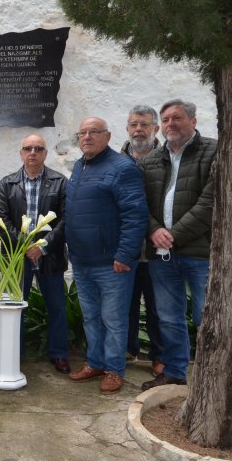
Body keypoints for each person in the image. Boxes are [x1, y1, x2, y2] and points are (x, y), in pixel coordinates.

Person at [65, 117, 147, 394]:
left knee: (113, 319)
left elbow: (135, 215)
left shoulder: (123, 168)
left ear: (107, 136)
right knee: (91, 317)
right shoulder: (80, 165)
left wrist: (125, 255)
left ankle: (114, 369)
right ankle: (95, 362)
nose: (87, 137)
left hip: (112, 262)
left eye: (94, 132)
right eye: (82, 132)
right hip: (82, 260)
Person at [139, 99, 215, 391]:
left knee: (206, 317)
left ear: (193, 121)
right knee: (169, 317)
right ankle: (174, 372)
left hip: (201, 252)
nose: (171, 124)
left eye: (177, 118)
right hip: (162, 255)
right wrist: (154, 229)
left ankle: (212, 377)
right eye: (166, 119)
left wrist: (173, 235)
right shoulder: (150, 161)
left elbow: (211, 203)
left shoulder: (214, 151)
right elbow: (138, 205)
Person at [0, 134, 70, 373]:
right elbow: (0, 220)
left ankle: (59, 354)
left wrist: (43, 246)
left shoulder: (60, 182)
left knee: (56, 307)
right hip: (17, 257)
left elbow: (66, 220)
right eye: (28, 148)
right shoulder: (8, 183)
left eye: (38, 148)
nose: (33, 153)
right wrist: (25, 246)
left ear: (45, 154)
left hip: (50, 256)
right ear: (21, 153)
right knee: (16, 306)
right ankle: (15, 352)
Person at [120, 105, 163, 375]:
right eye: (134, 124)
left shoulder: (169, 158)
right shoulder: (116, 161)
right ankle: (128, 349)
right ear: (127, 128)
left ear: (155, 129)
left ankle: (160, 356)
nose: (139, 129)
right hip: (126, 249)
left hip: (159, 249)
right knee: (126, 304)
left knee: (159, 307)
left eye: (145, 124)